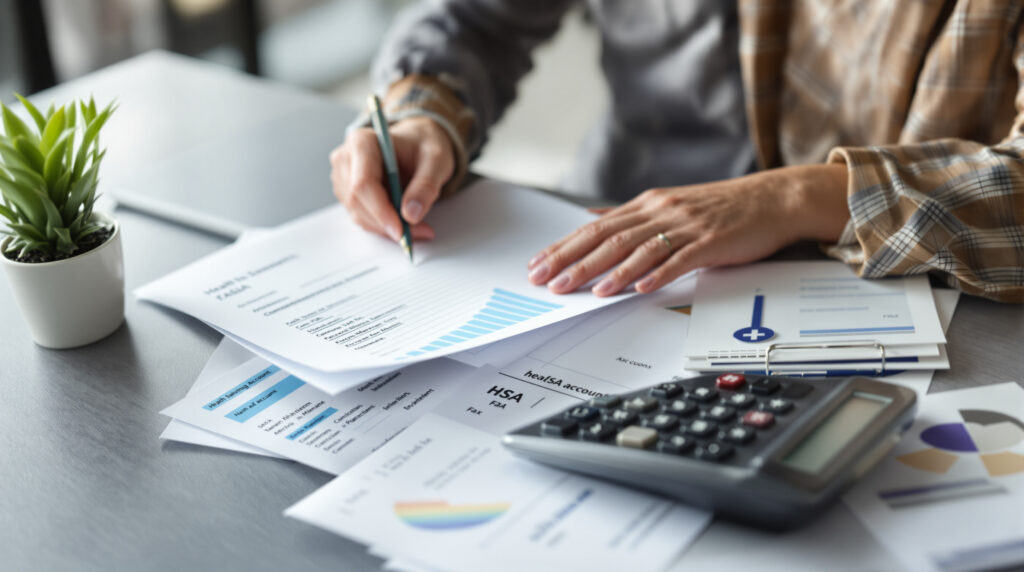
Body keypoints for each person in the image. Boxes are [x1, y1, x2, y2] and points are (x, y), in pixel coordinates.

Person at [330, 0, 1024, 303]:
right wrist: (421, 114)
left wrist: (789, 197)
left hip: (905, 292)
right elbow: (475, 19)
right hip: (604, 240)